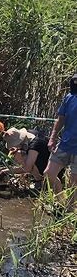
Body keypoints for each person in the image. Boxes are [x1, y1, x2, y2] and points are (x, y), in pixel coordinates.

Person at [44, 74, 77, 202]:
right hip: (65, 143)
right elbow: (60, 119)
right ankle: (61, 199)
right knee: (48, 173)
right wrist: (52, 138)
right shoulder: (69, 98)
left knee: (74, 184)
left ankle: (68, 210)